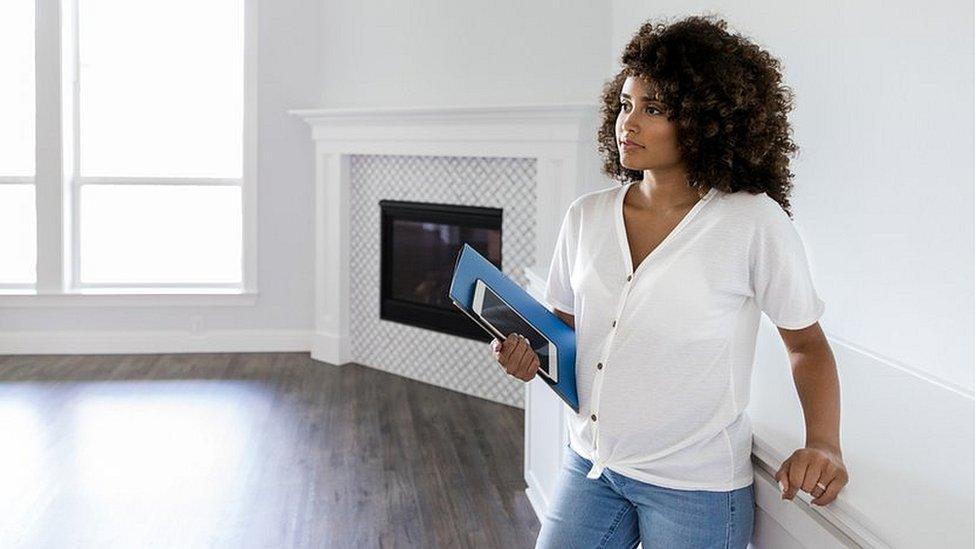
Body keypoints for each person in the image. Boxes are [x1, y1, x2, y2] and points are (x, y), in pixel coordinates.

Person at [489, 14, 848, 548]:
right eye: (626, 105)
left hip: (695, 488)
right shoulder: (586, 216)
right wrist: (526, 356)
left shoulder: (753, 221)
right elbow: (562, 331)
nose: (627, 124)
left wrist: (824, 444)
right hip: (592, 465)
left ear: (707, 121)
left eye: (653, 109)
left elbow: (806, 346)